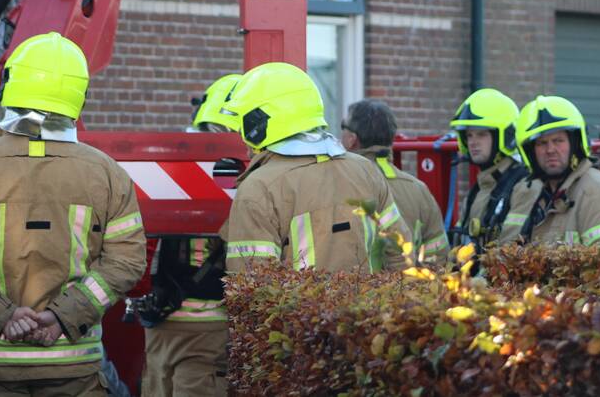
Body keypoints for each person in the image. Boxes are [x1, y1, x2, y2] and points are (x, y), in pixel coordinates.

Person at [0, 32, 146, 396]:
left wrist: (1, 315)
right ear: (79, 96)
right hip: (74, 367)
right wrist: (61, 317)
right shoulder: (109, 176)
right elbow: (127, 262)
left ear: (6, 88)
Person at [223, 62, 410, 273]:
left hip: (298, 298)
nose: (241, 134)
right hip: (368, 296)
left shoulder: (259, 188)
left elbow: (251, 282)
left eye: (242, 125)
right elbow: (402, 255)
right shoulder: (366, 170)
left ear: (257, 124)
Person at [140, 74, 245, 396]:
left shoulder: (169, 165)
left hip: (162, 319)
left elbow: (140, 250)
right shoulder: (250, 176)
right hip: (213, 327)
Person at [508, 95, 600, 246]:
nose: (550, 150)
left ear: (575, 144)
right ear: (530, 152)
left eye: (558, 141)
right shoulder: (536, 195)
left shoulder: (597, 194)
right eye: (542, 143)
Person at [340, 99, 448, 263]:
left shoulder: (343, 184)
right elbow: (438, 255)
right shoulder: (419, 189)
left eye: (343, 127)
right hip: (411, 279)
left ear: (351, 139)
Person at [448, 88, 529, 248]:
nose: (473, 142)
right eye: (469, 135)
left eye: (481, 134)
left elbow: (510, 250)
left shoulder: (522, 185)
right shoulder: (479, 188)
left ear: (505, 136)